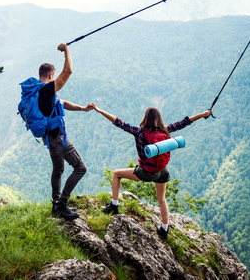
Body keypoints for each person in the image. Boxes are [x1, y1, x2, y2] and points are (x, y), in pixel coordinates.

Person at [93, 105, 211, 238]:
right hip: (163, 171)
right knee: (162, 199)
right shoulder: (165, 130)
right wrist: (203, 114)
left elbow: (118, 122)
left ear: (145, 118)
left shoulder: (139, 132)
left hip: (148, 171)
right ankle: (164, 229)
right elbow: (184, 122)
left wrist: (99, 110)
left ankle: (114, 206)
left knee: (116, 174)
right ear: (158, 118)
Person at [38, 43, 95, 220]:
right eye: (54, 76)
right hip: (57, 137)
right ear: (50, 75)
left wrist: (82, 109)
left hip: (48, 137)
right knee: (80, 168)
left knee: (58, 168)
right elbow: (68, 70)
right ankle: (61, 205)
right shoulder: (46, 89)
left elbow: (61, 103)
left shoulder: (37, 92)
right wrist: (66, 50)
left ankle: (56, 204)